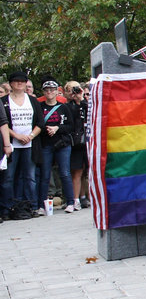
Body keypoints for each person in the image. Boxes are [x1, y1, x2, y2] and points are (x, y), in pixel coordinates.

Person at [2, 72, 44, 219]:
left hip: (30, 144)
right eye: (16, 81)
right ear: (11, 83)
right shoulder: (4, 101)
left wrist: (30, 136)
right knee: (8, 177)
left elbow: (40, 122)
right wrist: (16, 136)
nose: (19, 83)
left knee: (30, 177)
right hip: (11, 144)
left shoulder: (33, 101)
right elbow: (2, 123)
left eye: (22, 81)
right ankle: (7, 208)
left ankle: (32, 206)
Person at [35, 79, 76, 214]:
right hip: (46, 143)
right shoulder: (39, 107)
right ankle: (41, 205)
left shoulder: (64, 107)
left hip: (62, 144)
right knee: (45, 174)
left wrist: (57, 128)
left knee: (65, 173)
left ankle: (70, 202)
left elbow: (71, 126)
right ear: (43, 92)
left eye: (52, 90)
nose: (49, 92)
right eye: (46, 90)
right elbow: (37, 124)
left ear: (57, 91)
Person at [64, 81, 89, 210]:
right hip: (76, 143)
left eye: (75, 89)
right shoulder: (66, 106)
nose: (72, 92)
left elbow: (91, 111)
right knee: (77, 171)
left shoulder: (85, 103)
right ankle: (76, 200)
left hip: (89, 141)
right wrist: (75, 102)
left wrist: (81, 99)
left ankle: (87, 197)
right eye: (69, 90)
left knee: (90, 170)